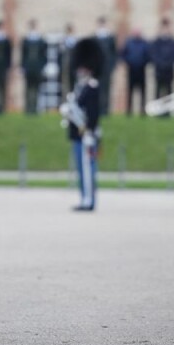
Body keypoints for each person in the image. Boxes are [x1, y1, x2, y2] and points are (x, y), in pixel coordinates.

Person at [61, 38, 102, 211]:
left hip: (87, 134)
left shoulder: (92, 87)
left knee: (87, 170)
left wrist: (89, 131)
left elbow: (92, 114)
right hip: (79, 133)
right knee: (81, 169)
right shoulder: (81, 87)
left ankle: (88, 200)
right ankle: (85, 198)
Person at [120, 28, 150, 116]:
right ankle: (129, 111)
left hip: (141, 70)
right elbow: (123, 54)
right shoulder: (129, 43)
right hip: (131, 70)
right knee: (130, 91)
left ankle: (142, 110)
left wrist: (143, 63)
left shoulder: (144, 43)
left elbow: (148, 55)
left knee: (142, 91)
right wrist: (129, 62)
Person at [151, 17, 174, 104]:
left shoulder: (172, 42)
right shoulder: (156, 42)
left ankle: (168, 110)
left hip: (169, 70)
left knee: (169, 90)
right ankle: (157, 109)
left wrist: (167, 64)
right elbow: (153, 55)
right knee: (158, 90)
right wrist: (160, 64)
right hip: (159, 70)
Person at [20, 18, 47, 114]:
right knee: (28, 88)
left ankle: (35, 108)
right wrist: (22, 67)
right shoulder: (26, 40)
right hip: (28, 67)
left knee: (36, 88)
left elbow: (44, 55)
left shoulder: (41, 40)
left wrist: (43, 66)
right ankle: (28, 108)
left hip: (37, 68)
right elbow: (23, 55)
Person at [94, 16, 117, 115]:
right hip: (96, 68)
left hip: (106, 68)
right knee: (96, 90)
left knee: (106, 89)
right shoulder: (94, 38)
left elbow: (114, 54)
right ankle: (97, 109)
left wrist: (111, 67)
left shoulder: (110, 38)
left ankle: (105, 110)